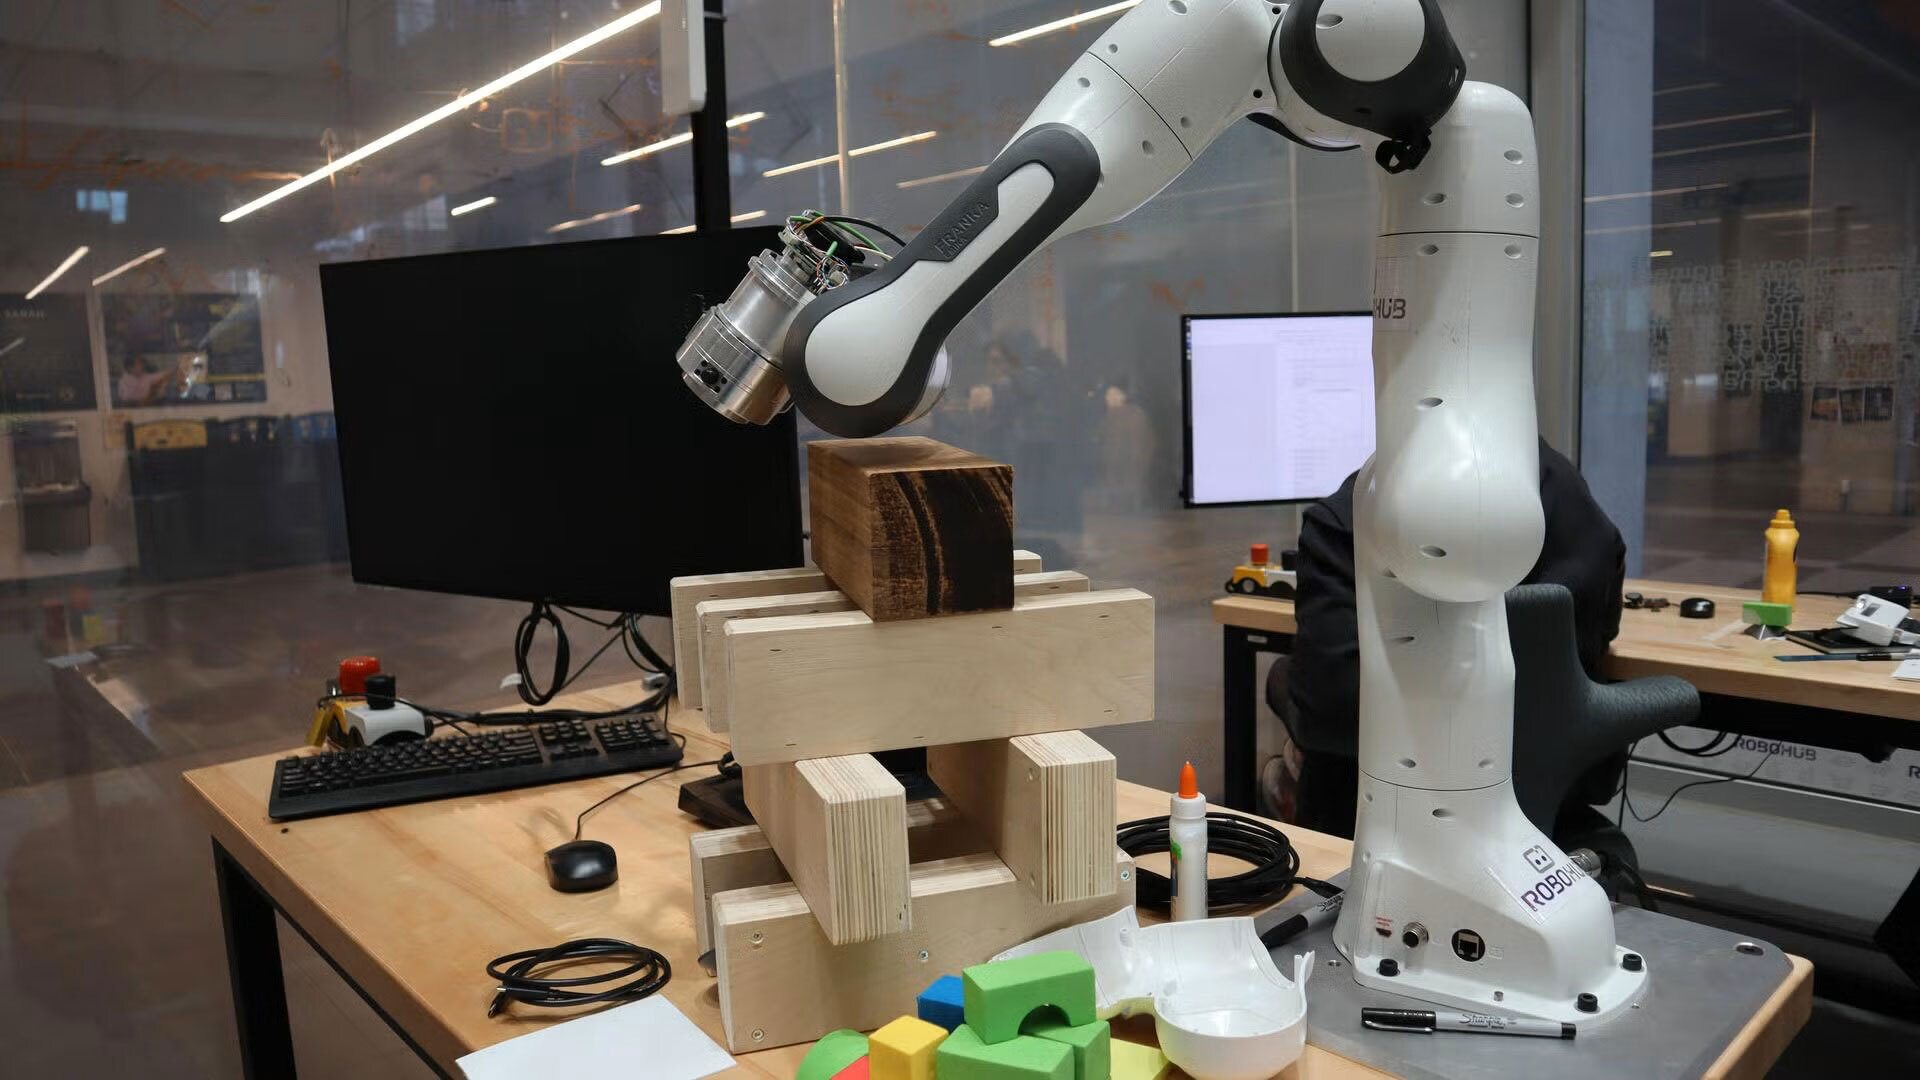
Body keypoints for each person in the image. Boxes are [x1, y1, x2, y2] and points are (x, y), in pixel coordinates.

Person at [1270, 438, 1627, 838]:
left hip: (1383, 822)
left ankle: (1286, 786)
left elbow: (1332, 715)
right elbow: (1596, 639)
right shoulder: (1571, 497)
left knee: (1283, 680)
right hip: (1546, 807)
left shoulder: (1353, 511)